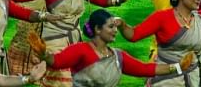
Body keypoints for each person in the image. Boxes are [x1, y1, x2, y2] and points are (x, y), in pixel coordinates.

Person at [44, 11, 192, 86]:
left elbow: (145, 69)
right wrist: (42, 51)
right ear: (97, 29)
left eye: (115, 27)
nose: (115, 30)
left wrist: (178, 67)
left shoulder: (118, 56)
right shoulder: (81, 50)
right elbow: (57, 62)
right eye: (111, 27)